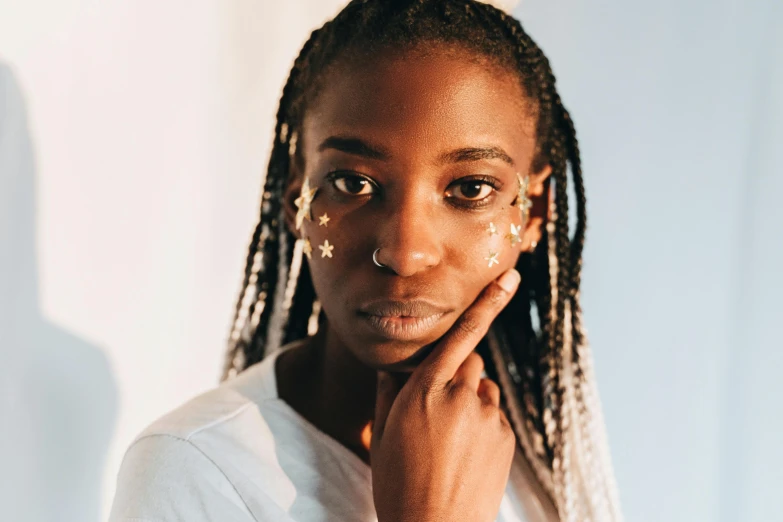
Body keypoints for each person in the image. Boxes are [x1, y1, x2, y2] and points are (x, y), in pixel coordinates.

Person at [109, 1, 622, 521]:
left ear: (534, 214)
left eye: (471, 189)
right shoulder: (196, 468)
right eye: (353, 183)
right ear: (297, 199)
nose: (403, 253)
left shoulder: (541, 463)